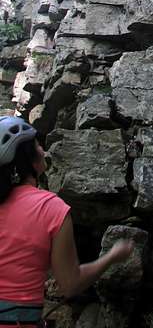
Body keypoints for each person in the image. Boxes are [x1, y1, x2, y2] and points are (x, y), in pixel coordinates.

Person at [0, 116, 133, 328]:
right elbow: (71, 284)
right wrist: (112, 256)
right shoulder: (51, 208)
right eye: (37, 144)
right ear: (27, 158)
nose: (43, 149)